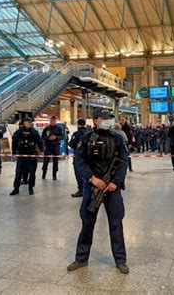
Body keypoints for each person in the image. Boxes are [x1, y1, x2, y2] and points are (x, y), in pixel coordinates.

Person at [67, 109, 129, 274]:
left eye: (110, 118)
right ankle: (81, 258)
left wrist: (116, 182)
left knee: (116, 224)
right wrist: (91, 178)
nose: (108, 120)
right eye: (104, 118)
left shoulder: (117, 138)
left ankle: (120, 260)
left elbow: (124, 160)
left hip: (112, 188)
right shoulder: (86, 139)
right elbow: (79, 161)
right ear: (95, 120)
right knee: (87, 223)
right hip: (92, 186)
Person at [10, 118, 43, 196]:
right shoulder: (19, 132)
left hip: (31, 155)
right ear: (24, 123)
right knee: (18, 173)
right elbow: (14, 142)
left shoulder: (34, 132)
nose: (28, 124)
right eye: (26, 122)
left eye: (29, 122)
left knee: (32, 173)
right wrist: (14, 153)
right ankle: (16, 188)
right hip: (21, 155)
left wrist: (42, 150)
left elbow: (40, 142)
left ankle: (30, 187)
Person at [68, 118, 88, 198]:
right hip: (88, 157)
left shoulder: (77, 134)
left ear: (78, 125)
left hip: (78, 157)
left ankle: (81, 190)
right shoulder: (89, 133)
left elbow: (71, 144)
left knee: (78, 173)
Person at [41, 116, 63, 180]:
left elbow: (62, 136)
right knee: (45, 161)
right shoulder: (46, 129)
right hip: (48, 146)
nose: (52, 122)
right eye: (51, 121)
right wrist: (48, 138)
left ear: (55, 121)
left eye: (53, 120)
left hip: (56, 146)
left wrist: (56, 137)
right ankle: (44, 173)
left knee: (55, 161)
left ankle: (54, 175)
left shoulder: (59, 129)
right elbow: (42, 137)